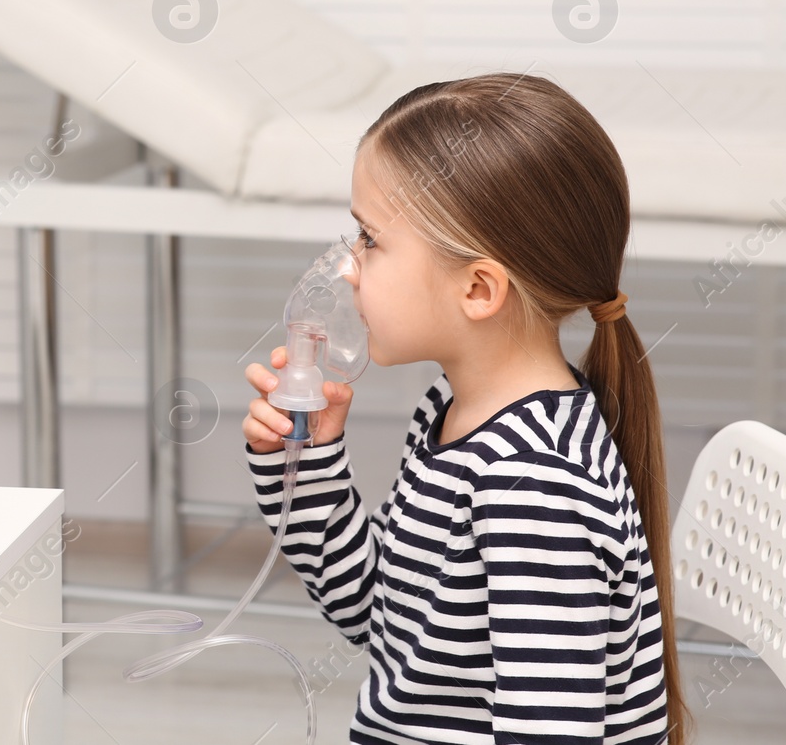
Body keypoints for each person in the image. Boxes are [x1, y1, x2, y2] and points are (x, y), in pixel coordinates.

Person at [242, 73, 685, 744]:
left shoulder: (533, 484)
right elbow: (378, 610)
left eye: (370, 239)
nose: (347, 269)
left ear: (478, 288)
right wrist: (303, 465)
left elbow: (550, 733)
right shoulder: (454, 414)